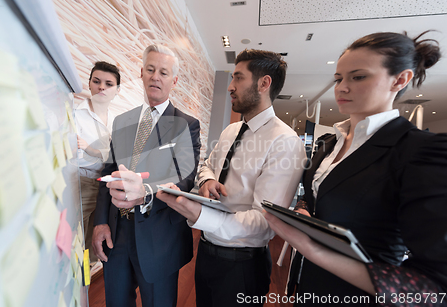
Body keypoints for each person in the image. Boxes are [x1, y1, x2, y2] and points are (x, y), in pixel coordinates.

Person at [264, 31, 447, 306]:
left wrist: (314, 249)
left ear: (400, 79)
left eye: (358, 77)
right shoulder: (329, 143)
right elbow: (317, 198)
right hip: (308, 285)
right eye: (338, 79)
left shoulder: (418, 151)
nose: (342, 87)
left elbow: (433, 287)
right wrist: (303, 212)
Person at [158, 49, 306, 306]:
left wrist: (199, 214)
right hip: (205, 254)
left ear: (264, 83)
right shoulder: (230, 130)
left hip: (243, 266)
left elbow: (265, 222)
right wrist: (206, 181)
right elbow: (207, 166)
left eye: (238, 78)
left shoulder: (285, 142)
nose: (230, 86)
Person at [92, 44, 201, 307]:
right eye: (150, 69)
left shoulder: (187, 125)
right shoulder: (122, 121)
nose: (155, 76)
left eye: (163, 72)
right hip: (116, 234)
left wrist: (146, 193)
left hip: (159, 236)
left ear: (173, 81)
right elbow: (108, 171)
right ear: (141, 73)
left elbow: (184, 178)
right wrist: (100, 222)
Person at [75, 61, 120, 270]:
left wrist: (92, 151)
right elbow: (74, 156)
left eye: (109, 84)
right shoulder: (76, 115)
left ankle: (84, 288)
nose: (102, 87)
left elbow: (118, 159)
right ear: (90, 84)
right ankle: (73, 292)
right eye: (97, 81)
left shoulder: (118, 122)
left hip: (106, 189)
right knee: (74, 243)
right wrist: (105, 155)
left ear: (116, 90)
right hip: (81, 184)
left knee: (93, 247)